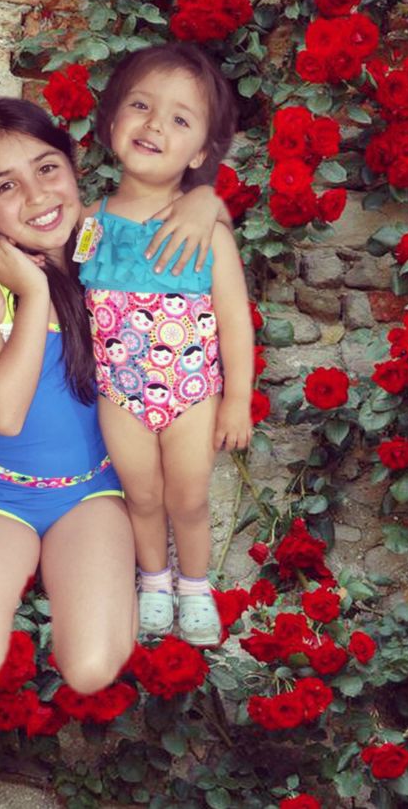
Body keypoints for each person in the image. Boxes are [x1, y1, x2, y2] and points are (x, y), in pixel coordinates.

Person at [0, 97, 225, 714]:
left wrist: (204, 200)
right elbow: (5, 414)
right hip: (0, 492)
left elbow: (192, 205)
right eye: (6, 186)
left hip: (93, 492)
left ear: (73, 164)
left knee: (90, 668)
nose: (38, 196)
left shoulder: (113, 243)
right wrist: (33, 294)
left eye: (47, 168)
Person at [79, 44, 255, 647]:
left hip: (192, 393)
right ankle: (153, 582)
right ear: (111, 120)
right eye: (140, 106)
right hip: (118, 391)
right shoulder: (88, 223)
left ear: (201, 152)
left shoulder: (208, 232)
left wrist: (238, 400)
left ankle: (196, 587)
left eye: (180, 119)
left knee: (188, 497)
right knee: (141, 494)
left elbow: (235, 320)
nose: (155, 124)